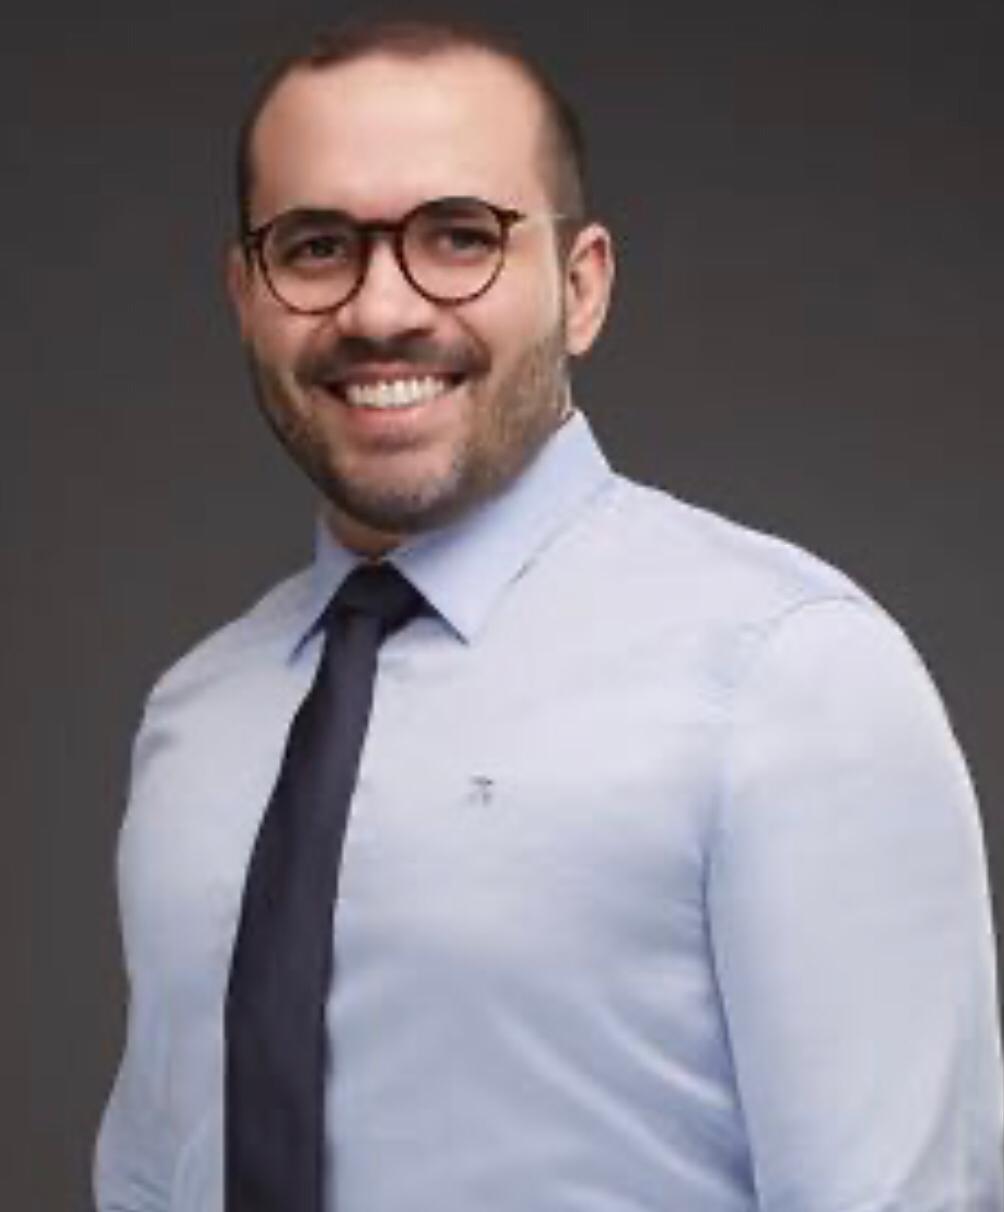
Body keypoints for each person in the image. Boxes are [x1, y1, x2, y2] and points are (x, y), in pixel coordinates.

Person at [94, 16, 1004, 1212]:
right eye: (315, 248)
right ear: (244, 295)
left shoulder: (785, 678)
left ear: (580, 288)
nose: (380, 309)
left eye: (458, 237)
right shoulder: (195, 719)